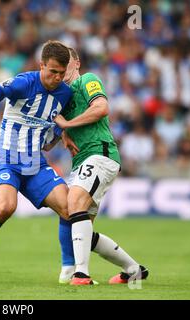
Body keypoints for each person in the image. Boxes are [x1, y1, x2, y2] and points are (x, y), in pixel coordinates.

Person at [0, 40, 76, 282]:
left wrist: (64, 135)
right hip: (7, 157)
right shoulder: (25, 82)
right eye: (52, 72)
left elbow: (61, 119)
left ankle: (68, 269)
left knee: (69, 207)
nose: (57, 78)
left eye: (61, 73)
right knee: (6, 207)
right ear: (42, 66)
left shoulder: (65, 94)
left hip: (36, 162)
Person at [53, 47, 149, 285]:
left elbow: (101, 108)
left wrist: (67, 124)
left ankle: (81, 274)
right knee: (80, 225)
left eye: (67, 61)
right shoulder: (61, 96)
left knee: (74, 202)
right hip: (81, 161)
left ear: (77, 62)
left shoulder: (88, 80)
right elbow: (56, 132)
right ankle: (133, 270)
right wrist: (61, 132)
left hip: (100, 154)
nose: (63, 66)